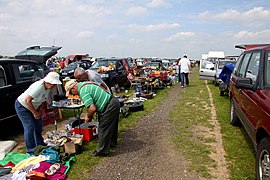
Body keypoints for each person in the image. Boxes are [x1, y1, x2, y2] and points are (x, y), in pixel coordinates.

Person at [65, 79, 120, 156]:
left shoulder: (83, 92)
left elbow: (92, 108)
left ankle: (102, 151)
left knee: (102, 129)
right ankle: (111, 144)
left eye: (71, 92)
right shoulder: (85, 84)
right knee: (112, 126)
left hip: (109, 105)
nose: (73, 95)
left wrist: (88, 117)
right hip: (113, 101)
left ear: (73, 88)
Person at [15, 72, 62, 154]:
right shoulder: (39, 87)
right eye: (53, 84)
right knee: (29, 127)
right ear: (48, 82)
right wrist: (35, 113)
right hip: (22, 106)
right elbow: (27, 100)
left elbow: (43, 101)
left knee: (38, 125)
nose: (54, 86)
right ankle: (30, 150)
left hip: (33, 106)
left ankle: (40, 144)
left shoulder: (47, 88)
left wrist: (40, 111)